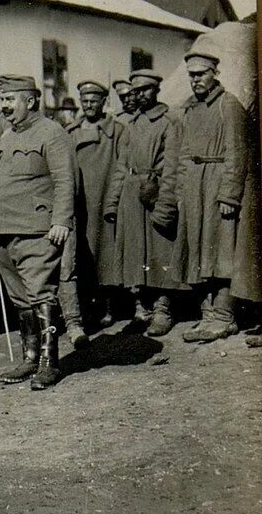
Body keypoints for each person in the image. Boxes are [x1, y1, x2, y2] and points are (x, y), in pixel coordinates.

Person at [0, 75, 75, 390]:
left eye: (11, 100)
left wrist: (61, 220)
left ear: (31, 100)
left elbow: (64, 180)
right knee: (19, 298)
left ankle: (49, 363)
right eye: (2, 100)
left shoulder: (52, 133)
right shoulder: (6, 136)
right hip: (3, 230)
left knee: (40, 294)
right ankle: (30, 357)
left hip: (35, 230)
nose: (4, 106)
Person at [173, 42, 256, 343]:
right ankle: (208, 315)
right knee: (198, 247)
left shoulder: (228, 104)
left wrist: (230, 195)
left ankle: (224, 315)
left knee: (222, 249)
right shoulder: (190, 108)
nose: (195, 80)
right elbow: (183, 153)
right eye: (191, 75)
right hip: (195, 186)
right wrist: (181, 191)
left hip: (218, 184)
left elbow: (238, 152)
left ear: (215, 73)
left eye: (201, 74)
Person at [102, 71, 183, 337]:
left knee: (161, 251)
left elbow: (173, 167)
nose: (140, 95)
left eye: (146, 90)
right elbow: (121, 166)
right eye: (136, 91)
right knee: (138, 253)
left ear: (156, 90)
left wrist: (165, 201)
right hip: (131, 196)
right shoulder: (132, 124)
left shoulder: (169, 122)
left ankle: (163, 308)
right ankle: (144, 308)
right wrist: (113, 203)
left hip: (155, 192)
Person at [61, 80, 123, 340]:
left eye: (94, 101)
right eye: (84, 101)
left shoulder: (116, 130)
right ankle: (87, 308)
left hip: (104, 196)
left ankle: (108, 305)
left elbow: (122, 163)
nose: (88, 105)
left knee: (105, 250)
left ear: (103, 102)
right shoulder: (70, 131)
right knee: (82, 254)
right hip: (80, 199)